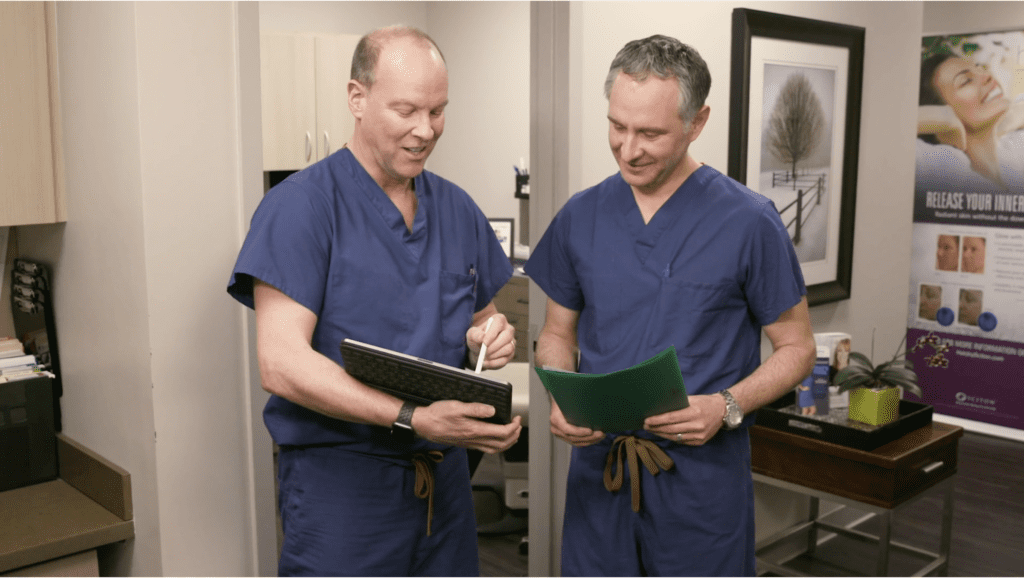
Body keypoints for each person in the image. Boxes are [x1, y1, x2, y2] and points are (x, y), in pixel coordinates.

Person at [227, 25, 522, 576]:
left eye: (437, 111)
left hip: (445, 487)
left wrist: (490, 336)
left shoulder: (457, 209)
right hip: (344, 489)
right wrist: (413, 417)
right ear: (356, 98)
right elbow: (282, 363)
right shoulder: (301, 209)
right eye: (406, 109)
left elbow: (481, 321)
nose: (424, 130)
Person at [524, 35, 816, 576]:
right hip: (599, 477)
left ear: (696, 122)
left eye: (650, 133)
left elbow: (797, 348)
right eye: (617, 126)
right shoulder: (579, 216)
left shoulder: (749, 222)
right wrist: (560, 395)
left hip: (700, 485)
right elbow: (556, 334)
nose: (628, 148)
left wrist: (726, 405)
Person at [916, 52, 1024, 193]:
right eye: (966, 81)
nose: (988, 76)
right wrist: (946, 118)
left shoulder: (1013, 151)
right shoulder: (941, 168)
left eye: (980, 69)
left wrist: (1007, 120)